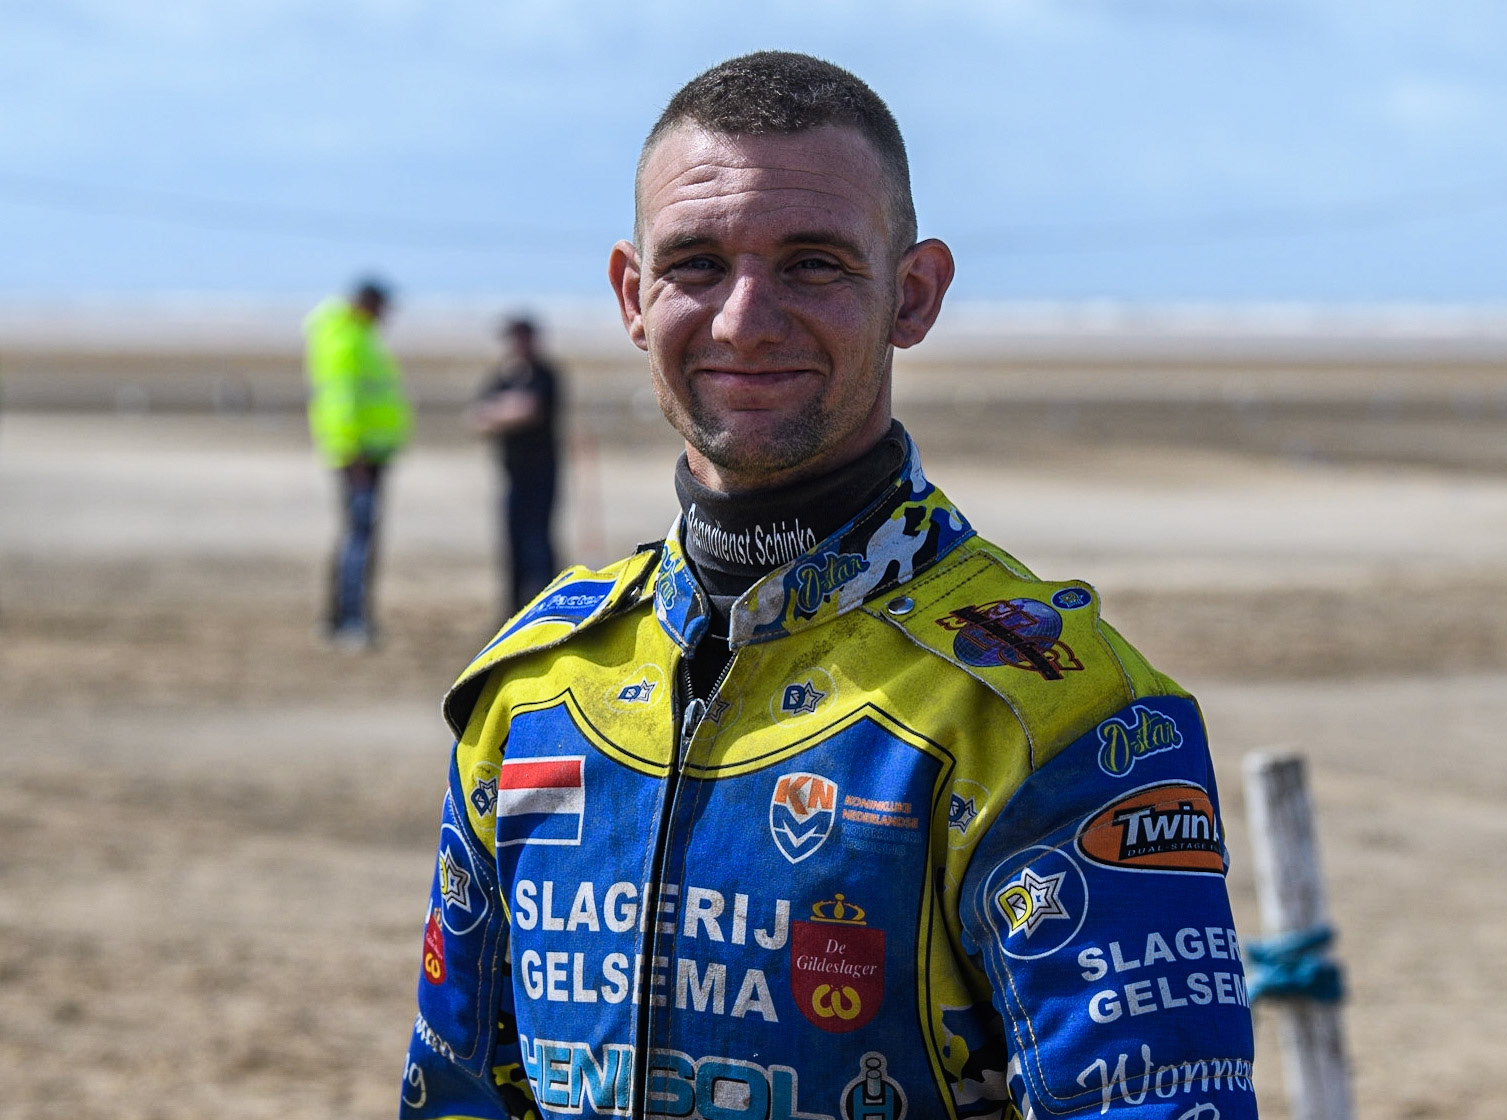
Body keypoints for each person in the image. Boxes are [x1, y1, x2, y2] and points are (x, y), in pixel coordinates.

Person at [400, 52, 1257, 1120]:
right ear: (631, 294)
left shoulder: (1057, 714)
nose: (743, 320)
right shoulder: (532, 691)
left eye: (811, 265)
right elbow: (454, 1097)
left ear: (913, 293)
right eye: (696, 265)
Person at [303, 277, 411, 650]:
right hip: (359, 456)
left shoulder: (360, 336)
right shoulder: (346, 338)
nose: (384, 316)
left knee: (356, 534)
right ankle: (350, 619)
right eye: (381, 307)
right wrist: (353, 452)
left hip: (368, 453)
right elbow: (342, 400)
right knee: (359, 537)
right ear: (367, 303)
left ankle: (338, 617)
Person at [470, 316, 565, 614]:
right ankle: (512, 610)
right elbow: (477, 417)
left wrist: (503, 411)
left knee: (538, 541)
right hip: (512, 474)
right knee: (512, 542)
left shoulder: (545, 374)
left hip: (543, 472)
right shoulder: (502, 376)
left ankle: (546, 606)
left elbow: (530, 411)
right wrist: (506, 410)